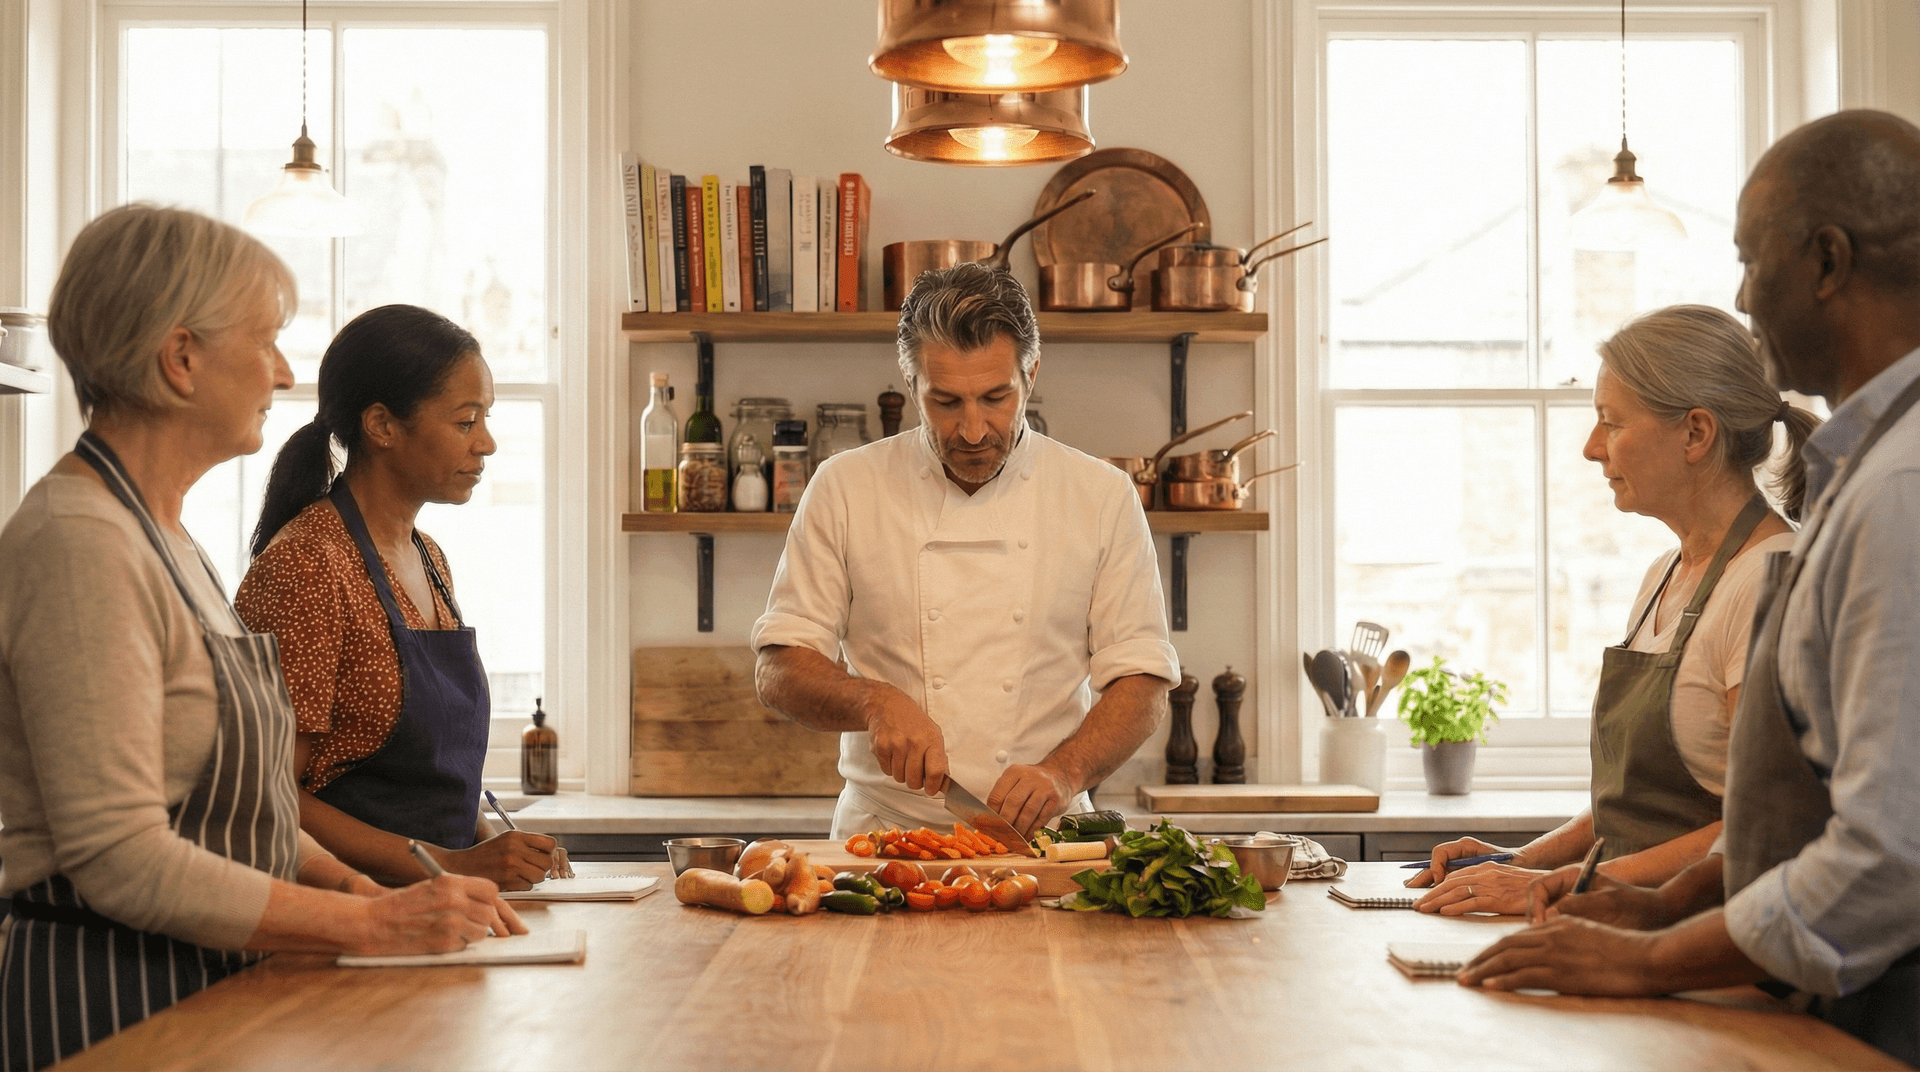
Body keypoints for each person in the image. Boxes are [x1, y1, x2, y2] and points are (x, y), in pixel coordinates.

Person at [0, 205, 522, 1071]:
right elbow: (121, 858)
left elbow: (245, 812)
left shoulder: (168, 539)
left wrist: (372, 889)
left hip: (204, 987)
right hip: (109, 1005)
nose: (283, 374)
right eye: (267, 340)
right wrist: (368, 919)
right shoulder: (78, 541)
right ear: (180, 359)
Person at [1460, 110, 1920, 1066]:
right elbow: (1789, 810)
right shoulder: (1866, 475)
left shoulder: (1902, 490)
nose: (1745, 299)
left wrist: (1652, 956)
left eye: (1755, 263)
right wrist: (1664, 901)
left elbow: (1888, 853)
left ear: (1829, 262)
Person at [1406, 305, 1816, 916]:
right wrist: (1517, 863)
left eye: (1611, 422)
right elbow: (1632, 804)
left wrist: (1560, 885)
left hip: (1696, 940)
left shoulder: (1766, 583)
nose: (1591, 448)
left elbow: (1757, 827)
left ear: (1696, 434)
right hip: (1618, 926)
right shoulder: (1665, 575)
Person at [751, 262, 1180, 838]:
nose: (974, 430)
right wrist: (872, 702)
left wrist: (1064, 771)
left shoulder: (1100, 495)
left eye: (996, 398)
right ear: (910, 387)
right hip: (881, 838)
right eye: (946, 402)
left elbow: (1143, 681)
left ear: (1031, 374)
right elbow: (779, 668)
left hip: (1045, 837)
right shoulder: (844, 487)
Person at [236, 305, 560, 890]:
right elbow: (270, 795)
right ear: (382, 426)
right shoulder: (308, 565)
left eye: (486, 418)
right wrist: (451, 865)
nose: (486, 443)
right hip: (344, 915)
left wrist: (495, 844)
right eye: (466, 422)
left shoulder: (429, 557)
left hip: (438, 908)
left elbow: (431, 787)